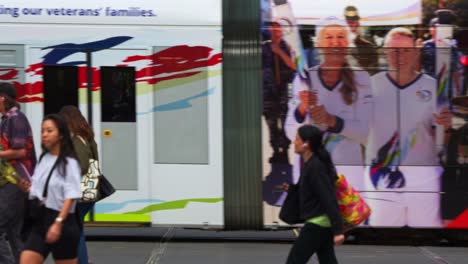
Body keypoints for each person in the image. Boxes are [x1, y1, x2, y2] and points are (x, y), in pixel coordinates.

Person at [365, 27, 452, 227]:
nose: (399, 56)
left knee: (426, 236)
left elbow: (442, 139)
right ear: (385, 51)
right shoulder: (370, 86)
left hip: (423, 177)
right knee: (384, 239)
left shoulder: (433, 88)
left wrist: (445, 128)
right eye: (393, 50)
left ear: (415, 53)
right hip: (382, 177)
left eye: (405, 51)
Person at [285, 17, 372, 191]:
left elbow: (367, 134)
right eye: (328, 37)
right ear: (318, 44)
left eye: (340, 36)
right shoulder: (304, 79)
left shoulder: (362, 79)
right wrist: (302, 109)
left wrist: (332, 121)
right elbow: (290, 132)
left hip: (347, 174)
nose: (335, 42)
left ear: (348, 43)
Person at [19, 114, 82, 264]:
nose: (44, 135)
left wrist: (58, 223)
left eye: (49, 131)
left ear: (60, 135)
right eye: (42, 131)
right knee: (26, 260)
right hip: (41, 220)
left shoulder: (69, 163)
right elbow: (39, 189)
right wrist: (28, 189)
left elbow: (71, 195)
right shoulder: (44, 158)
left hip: (63, 222)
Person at [284, 125, 344, 264]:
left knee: (294, 261)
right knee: (327, 260)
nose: (294, 142)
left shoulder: (315, 167)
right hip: (321, 222)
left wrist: (338, 230)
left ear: (306, 144)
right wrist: (292, 190)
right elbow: (313, 191)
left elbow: (328, 197)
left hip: (317, 223)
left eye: (297, 139)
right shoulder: (310, 164)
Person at [0, 82, 37, 264]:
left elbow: (21, 151)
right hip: (14, 180)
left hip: (16, 180)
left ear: (2, 98)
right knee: (14, 234)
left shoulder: (16, 118)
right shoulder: (8, 118)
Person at [59, 105, 97, 264]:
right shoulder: (87, 137)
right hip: (88, 191)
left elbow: (81, 166)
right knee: (77, 228)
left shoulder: (77, 140)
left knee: (75, 231)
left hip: (79, 193)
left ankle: (81, 261)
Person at [262, 21, 297, 164]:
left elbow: (293, 65)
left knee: (285, 123)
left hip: (284, 91)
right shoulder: (263, 47)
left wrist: (279, 52)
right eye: (272, 27)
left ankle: (286, 151)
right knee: (271, 124)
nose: (276, 30)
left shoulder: (288, 47)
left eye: (278, 27)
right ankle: (276, 151)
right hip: (268, 92)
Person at [343, 5, 380, 75]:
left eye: (353, 21)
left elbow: (373, 74)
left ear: (358, 23)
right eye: (348, 22)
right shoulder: (335, 46)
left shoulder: (369, 47)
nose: (351, 24)